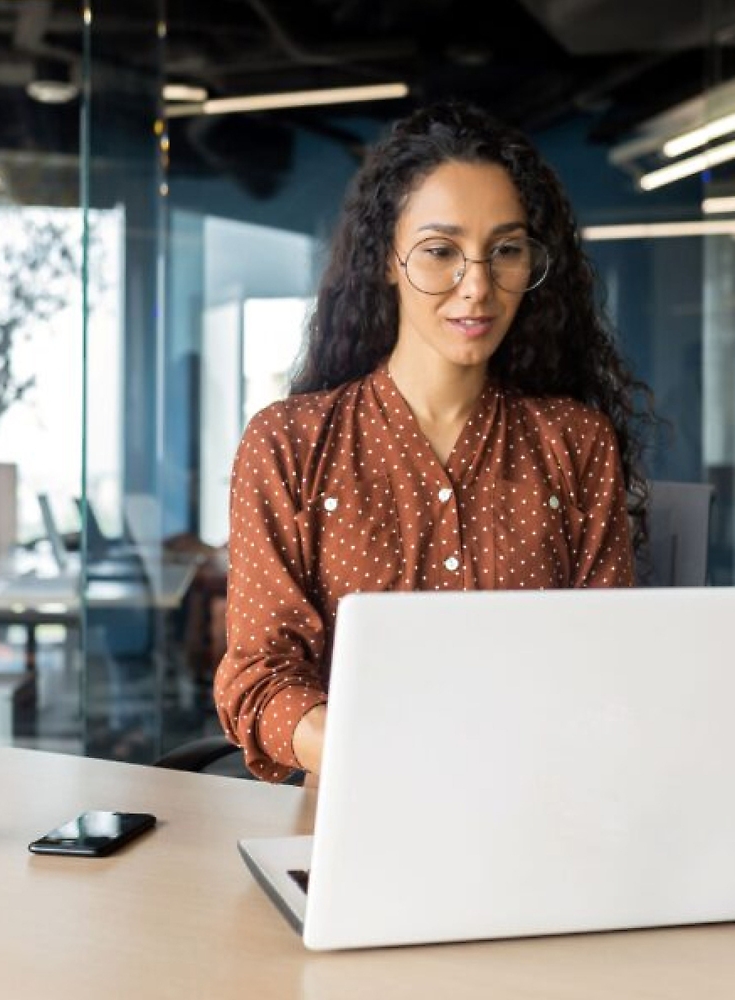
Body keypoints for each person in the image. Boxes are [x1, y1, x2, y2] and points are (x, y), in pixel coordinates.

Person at [214, 100, 654, 782]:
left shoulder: (576, 443)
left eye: (505, 250)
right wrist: (384, 757)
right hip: (356, 819)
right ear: (386, 260)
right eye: (441, 251)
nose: (476, 286)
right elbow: (259, 677)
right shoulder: (289, 443)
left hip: (539, 810)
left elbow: (610, 668)